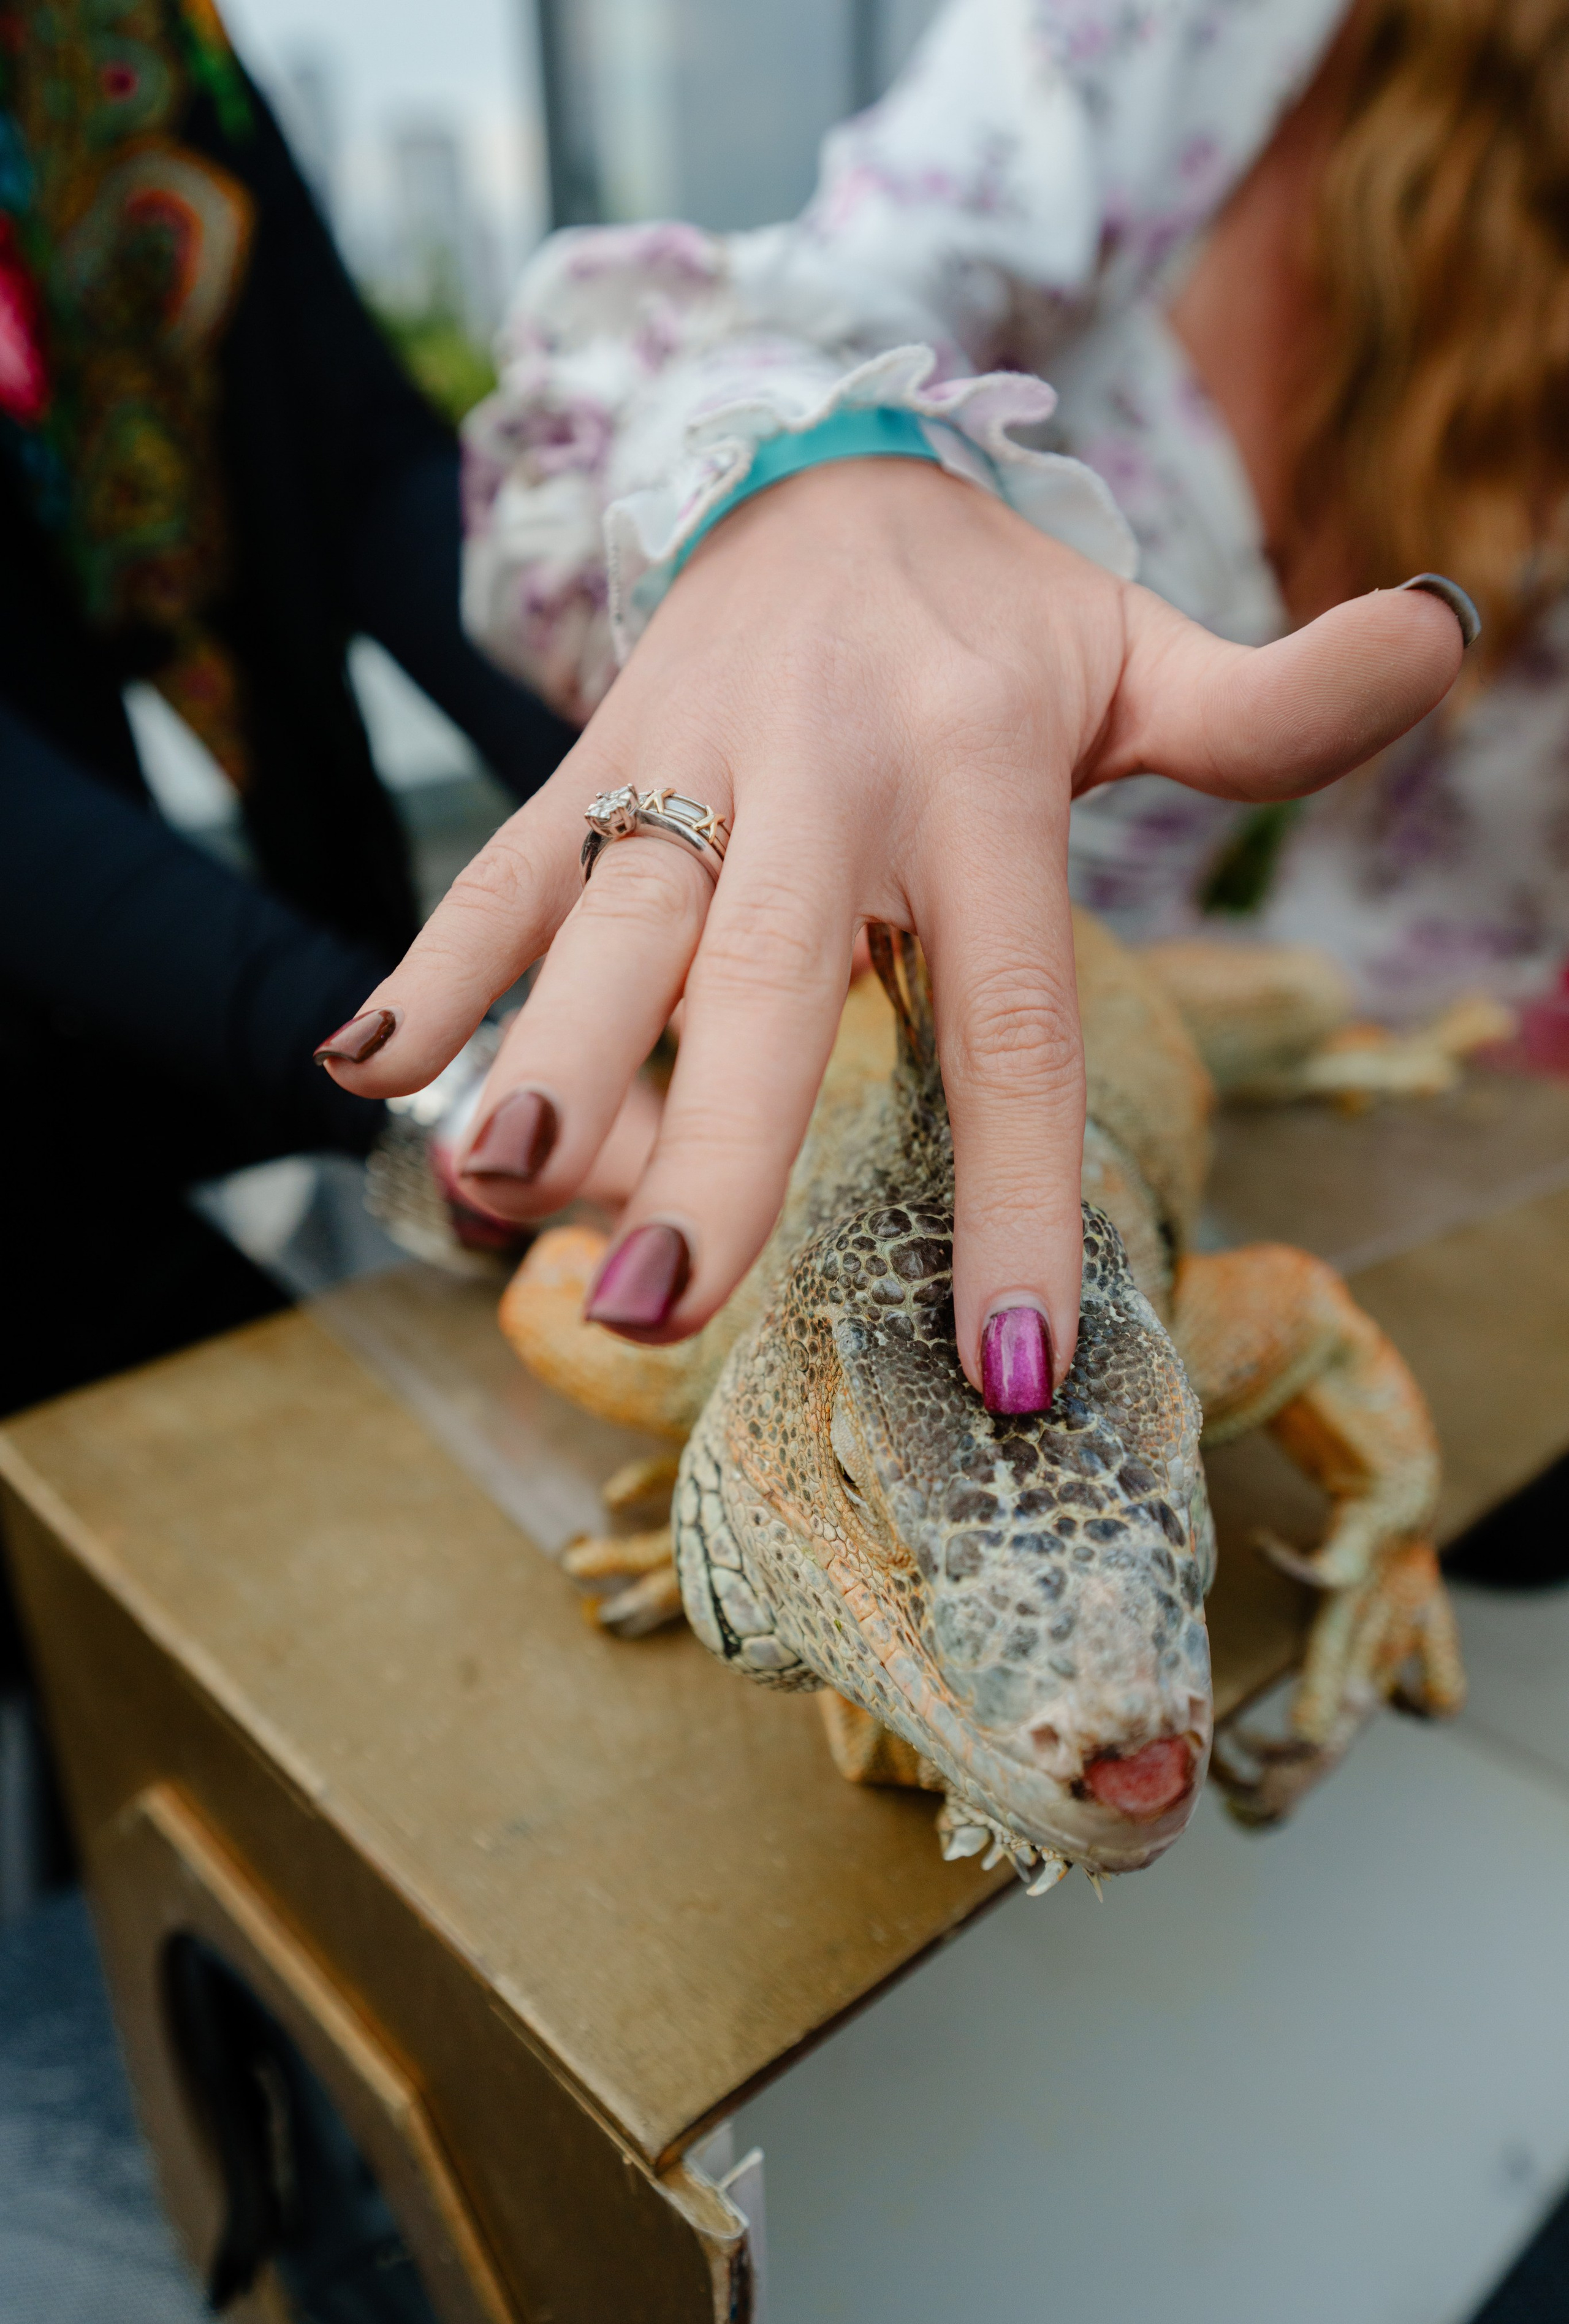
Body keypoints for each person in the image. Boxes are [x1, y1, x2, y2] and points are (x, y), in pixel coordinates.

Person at [322, 0, 1501, 1417]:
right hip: (771, 1035)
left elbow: (1428, 926)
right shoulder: (1184, 29)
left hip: (1147, 1110)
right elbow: (823, 287)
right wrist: (825, 470)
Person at [0, 0, 575, 1420]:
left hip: (245, 966)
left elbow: (359, 453)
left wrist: (636, 782)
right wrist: (405, 1062)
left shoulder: (114, 33)